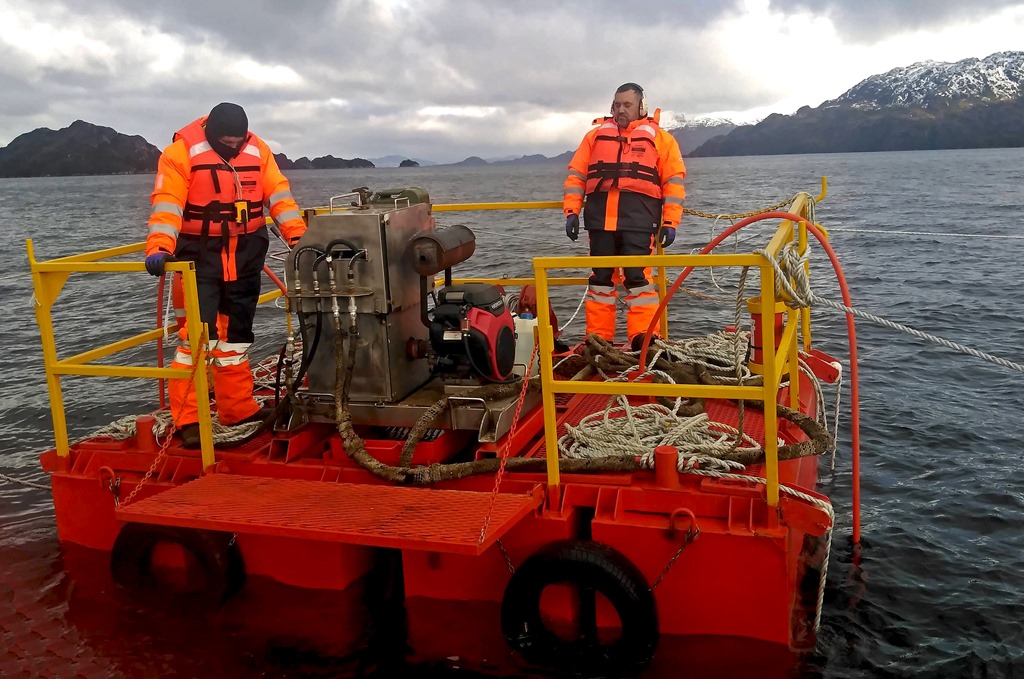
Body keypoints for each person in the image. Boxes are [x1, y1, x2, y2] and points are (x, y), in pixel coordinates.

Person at [144, 102, 306, 447]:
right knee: (196, 340)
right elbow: (167, 204)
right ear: (212, 134)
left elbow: (279, 195)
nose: (233, 148)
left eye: (238, 142)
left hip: (246, 255)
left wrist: (299, 238)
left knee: (235, 339)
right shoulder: (180, 154)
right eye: (226, 142)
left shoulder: (258, 150)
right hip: (199, 257)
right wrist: (159, 247)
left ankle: (238, 409)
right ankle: (188, 419)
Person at [562, 82, 686, 350]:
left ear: (641, 107)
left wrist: (670, 222)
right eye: (617, 104)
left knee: (638, 281)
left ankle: (644, 339)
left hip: (639, 222)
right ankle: (598, 339)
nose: (621, 110)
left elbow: (673, 183)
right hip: (600, 222)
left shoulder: (661, 139)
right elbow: (576, 176)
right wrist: (572, 211)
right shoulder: (594, 137)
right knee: (600, 281)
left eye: (627, 105)